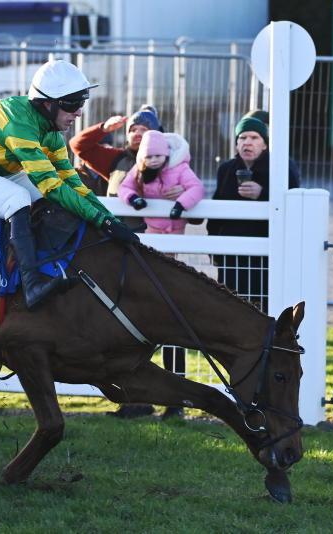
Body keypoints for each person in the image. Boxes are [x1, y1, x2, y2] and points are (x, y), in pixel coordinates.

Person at [0, 59, 138, 310]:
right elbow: (51, 186)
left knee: (48, 196)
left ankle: (45, 267)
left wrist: (111, 220)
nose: (79, 112)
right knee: (18, 198)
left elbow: (74, 184)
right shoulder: (19, 123)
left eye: (82, 103)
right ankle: (32, 285)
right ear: (47, 103)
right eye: (72, 104)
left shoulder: (52, 134)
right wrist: (103, 222)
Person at [112, 129, 204, 420]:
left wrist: (180, 205)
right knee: (140, 322)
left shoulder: (180, 169)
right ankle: (138, 397)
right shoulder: (138, 172)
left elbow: (196, 190)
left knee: (172, 324)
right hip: (150, 246)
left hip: (172, 248)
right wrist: (135, 200)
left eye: (157, 156)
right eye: (148, 156)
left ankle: (175, 399)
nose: (152, 160)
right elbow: (124, 189)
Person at [206, 115, 300, 313]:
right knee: (230, 305)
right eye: (242, 137)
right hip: (231, 254)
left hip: (268, 254)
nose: (247, 142)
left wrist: (263, 194)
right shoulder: (226, 169)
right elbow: (216, 212)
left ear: (265, 144)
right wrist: (214, 248)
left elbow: (293, 205)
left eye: (254, 137)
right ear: (236, 143)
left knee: (263, 308)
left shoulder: (281, 169)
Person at [69, 104, 164, 197]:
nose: (137, 133)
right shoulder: (116, 158)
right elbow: (78, 145)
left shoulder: (168, 158)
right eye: (133, 130)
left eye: (144, 129)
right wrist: (104, 128)